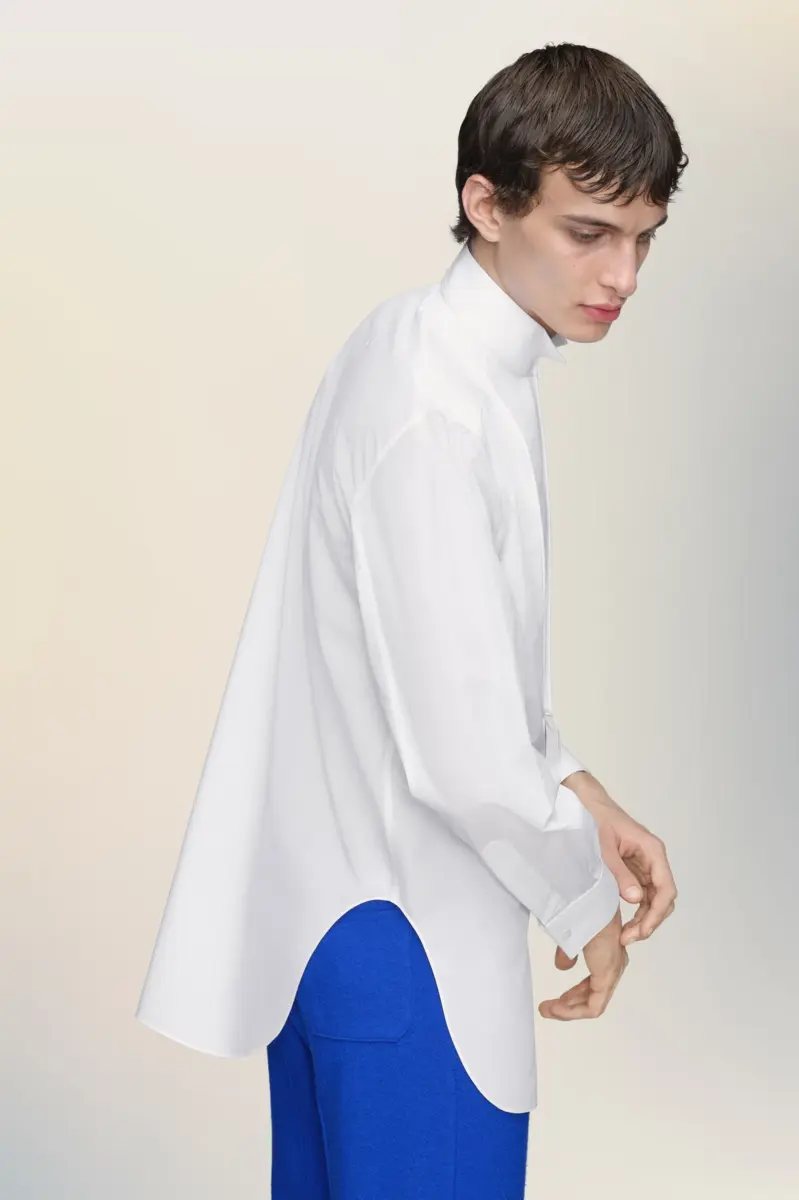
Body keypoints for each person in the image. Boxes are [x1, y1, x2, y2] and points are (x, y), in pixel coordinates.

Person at [136, 42, 682, 1198]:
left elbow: (438, 660)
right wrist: (583, 904)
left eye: (643, 238)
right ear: (486, 203)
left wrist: (580, 792)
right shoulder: (438, 406)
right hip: (410, 946)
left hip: (340, 932)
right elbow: (462, 748)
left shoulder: (411, 348)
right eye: (589, 232)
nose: (623, 274)